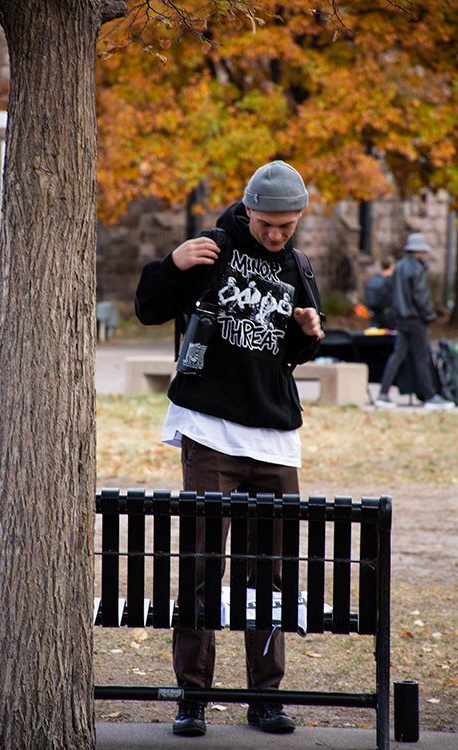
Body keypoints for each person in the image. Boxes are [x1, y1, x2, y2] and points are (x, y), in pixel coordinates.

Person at [135, 161, 324, 737]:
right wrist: (170, 265)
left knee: (268, 570)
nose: (275, 235)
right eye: (268, 224)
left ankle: (264, 696)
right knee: (201, 564)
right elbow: (147, 307)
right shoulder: (211, 249)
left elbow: (291, 353)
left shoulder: (297, 266)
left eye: (287, 226)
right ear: (248, 211)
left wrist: (311, 332)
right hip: (210, 429)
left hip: (274, 436)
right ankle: (192, 696)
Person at [374, 233, 455, 410]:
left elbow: (392, 293)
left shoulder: (399, 266)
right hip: (416, 320)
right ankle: (430, 396)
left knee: (397, 355)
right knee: (422, 357)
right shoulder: (417, 268)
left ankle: (382, 394)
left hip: (401, 320)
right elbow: (420, 296)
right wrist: (429, 315)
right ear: (421, 250)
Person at [364, 255, 396, 329]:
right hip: (390, 316)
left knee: (375, 338)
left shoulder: (374, 279)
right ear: (391, 266)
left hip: (375, 315)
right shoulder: (392, 280)